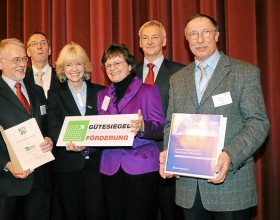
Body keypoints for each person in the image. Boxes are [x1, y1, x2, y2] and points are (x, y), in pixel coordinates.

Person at [159, 14, 270, 220]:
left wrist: (230, 154)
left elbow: (258, 123)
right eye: (193, 34)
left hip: (230, 185)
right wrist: (169, 151)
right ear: (186, 39)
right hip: (189, 188)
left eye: (205, 32)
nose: (199, 39)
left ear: (217, 36)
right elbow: (170, 124)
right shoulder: (177, 79)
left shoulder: (243, 73)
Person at [0, 38, 53, 220]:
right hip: (5, 185)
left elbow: (46, 126)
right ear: (0, 63)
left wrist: (49, 139)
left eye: (24, 59)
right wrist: (8, 164)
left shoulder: (37, 91)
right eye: (16, 60)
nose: (22, 64)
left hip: (40, 184)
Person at [98, 43, 166, 220]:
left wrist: (143, 127)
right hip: (110, 167)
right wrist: (83, 146)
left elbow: (160, 127)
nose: (112, 68)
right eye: (108, 65)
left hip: (141, 167)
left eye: (117, 63)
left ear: (129, 66)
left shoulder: (148, 90)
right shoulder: (101, 96)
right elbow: (100, 133)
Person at [47, 42, 105, 220]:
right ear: (62, 69)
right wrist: (69, 142)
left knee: (97, 214)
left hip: (96, 166)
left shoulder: (101, 92)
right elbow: (53, 127)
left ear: (85, 66)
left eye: (78, 63)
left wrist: (89, 143)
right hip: (68, 166)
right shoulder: (55, 95)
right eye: (68, 64)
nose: (74, 69)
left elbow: (106, 125)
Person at [136, 20, 185, 220]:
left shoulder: (181, 72)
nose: (150, 42)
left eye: (155, 37)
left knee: (170, 211)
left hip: (168, 152)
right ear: (139, 43)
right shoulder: (129, 74)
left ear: (164, 41)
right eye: (145, 37)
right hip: (137, 155)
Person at [25, 31, 61, 98]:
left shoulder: (61, 77)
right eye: (34, 44)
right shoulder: (22, 78)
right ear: (28, 52)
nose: (39, 47)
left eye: (43, 43)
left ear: (49, 50)